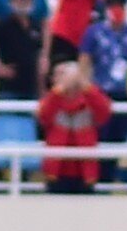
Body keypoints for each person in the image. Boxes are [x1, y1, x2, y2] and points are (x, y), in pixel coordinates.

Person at [35, 55, 112, 192]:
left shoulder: (90, 99)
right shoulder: (52, 99)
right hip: (56, 172)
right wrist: (58, 91)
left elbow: (104, 113)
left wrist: (86, 86)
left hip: (85, 172)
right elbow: (43, 116)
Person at [80, 0, 127, 100]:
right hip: (100, 90)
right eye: (113, 6)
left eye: (120, 6)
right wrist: (87, 89)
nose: (117, 10)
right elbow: (84, 61)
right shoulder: (93, 32)